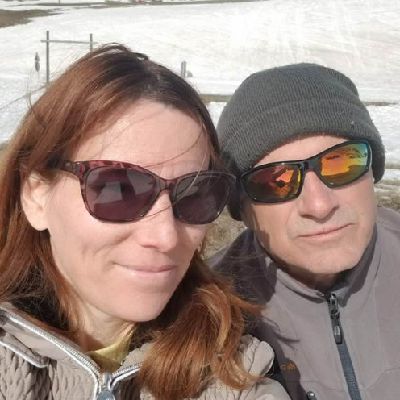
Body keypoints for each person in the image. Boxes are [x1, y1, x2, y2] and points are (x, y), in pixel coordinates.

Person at [0, 45, 290, 400]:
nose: (166, 237)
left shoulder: (235, 374)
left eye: (195, 193)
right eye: (118, 189)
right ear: (36, 196)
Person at [214, 63, 400, 400]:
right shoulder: (206, 310)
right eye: (276, 181)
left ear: (371, 170)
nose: (319, 205)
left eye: (342, 163)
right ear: (243, 209)